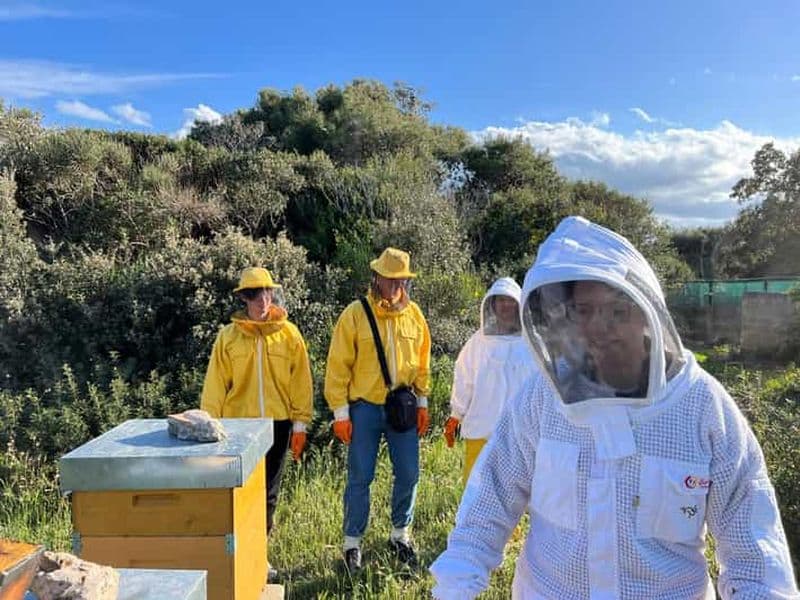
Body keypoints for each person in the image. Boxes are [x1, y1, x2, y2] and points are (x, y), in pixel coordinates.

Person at [431, 216, 799, 599]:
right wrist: (454, 587)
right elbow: (488, 501)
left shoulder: (702, 408)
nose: (599, 328)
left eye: (617, 311)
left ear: (648, 313)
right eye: (582, 311)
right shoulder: (542, 398)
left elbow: (755, 554)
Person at [325, 247, 432, 572]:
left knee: (409, 473)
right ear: (377, 277)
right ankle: (352, 544)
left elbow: (422, 360)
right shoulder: (355, 313)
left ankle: (401, 535)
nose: (396, 283)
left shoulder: (414, 314)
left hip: (403, 407)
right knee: (360, 477)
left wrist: (423, 401)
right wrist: (340, 413)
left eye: (401, 278)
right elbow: (338, 365)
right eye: (390, 277)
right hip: (365, 408)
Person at [200, 267, 313, 562]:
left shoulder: (289, 334)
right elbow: (215, 385)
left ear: (272, 294)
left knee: (268, 495)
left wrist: (300, 425)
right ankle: (236, 560)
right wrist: (208, 427)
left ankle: (258, 559)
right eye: (254, 295)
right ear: (244, 299)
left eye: (266, 293)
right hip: (238, 429)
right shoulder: (228, 337)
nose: (262, 301)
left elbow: (301, 381)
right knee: (239, 495)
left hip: (278, 425)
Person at [444, 277, 534, 484]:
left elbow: (540, 388)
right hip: (480, 432)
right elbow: (463, 379)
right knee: (476, 493)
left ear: (519, 305)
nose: (505, 305)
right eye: (500, 300)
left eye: (510, 300)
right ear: (491, 304)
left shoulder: (530, 344)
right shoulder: (478, 343)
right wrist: (456, 415)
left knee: (515, 497)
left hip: (519, 436)